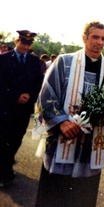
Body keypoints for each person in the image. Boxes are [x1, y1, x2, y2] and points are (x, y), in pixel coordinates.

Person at [34, 21, 104, 207]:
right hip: (63, 139)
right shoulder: (64, 62)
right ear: (84, 38)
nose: (99, 42)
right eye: (95, 37)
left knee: (83, 197)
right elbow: (47, 96)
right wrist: (61, 123)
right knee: (53, 198)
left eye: (103, 38)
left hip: (91, 144)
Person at [0, 30, 44, 187]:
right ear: (16, 41)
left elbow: (39, 84)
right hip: (5, 107)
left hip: (23, 109)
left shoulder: (34, 61)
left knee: (16, 139)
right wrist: (15, 96)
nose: (25, 46)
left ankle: (6, 165)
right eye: (23, 42)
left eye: (28, 43)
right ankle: (4, 171)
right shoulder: (3, 59)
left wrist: (29, 95)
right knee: (3, 139)